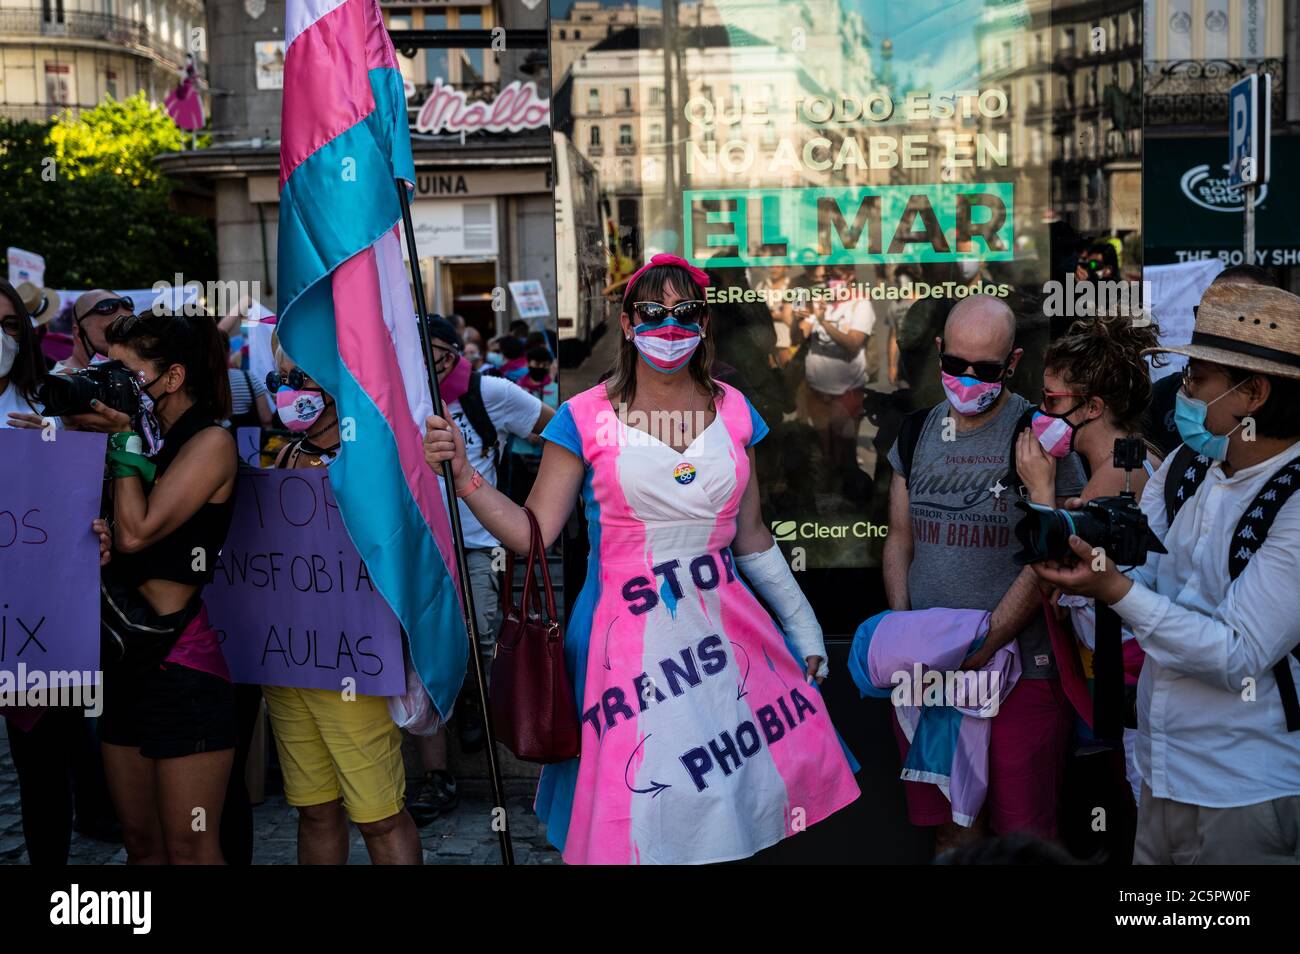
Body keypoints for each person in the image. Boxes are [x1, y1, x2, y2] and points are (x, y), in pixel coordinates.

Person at [423, 254, 860, 864]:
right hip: (625, 654)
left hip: (728, 641)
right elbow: (533, 533)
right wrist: (466, 477)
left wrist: (802, 622)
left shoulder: (735, 410)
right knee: (643, 814)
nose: (670, 326)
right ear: (627, 324)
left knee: (726, 809)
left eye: (686, 313)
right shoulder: (582, 416)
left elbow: (753, 533)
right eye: (652, 312)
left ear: (706, 326)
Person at [1035, 281, 1300, 864]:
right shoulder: (1189, 464)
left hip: (1245, 789)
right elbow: (1145, 567)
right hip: (1160, 771)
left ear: (1252, 393)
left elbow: (1236, 654)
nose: (1180, 392)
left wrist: (1116, 589)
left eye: (1197, 380)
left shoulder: (1294, 501)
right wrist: (1094, 538)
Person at [883, 294, 1086, 854]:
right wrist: (907, 633)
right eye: (956, 365)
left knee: (1024, 837)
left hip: (1024, 675)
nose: (968, 379)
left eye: (987, 369)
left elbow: (1054, 555)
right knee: (952, 834)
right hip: (931, 680)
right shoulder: (915, 432)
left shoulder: (1040, 437)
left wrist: (985, 641)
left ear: (1013, 364)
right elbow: (901, 539)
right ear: (940, 353)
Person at [69, 310, 239, 864]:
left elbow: (140, 531)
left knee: (189, 846)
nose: (110, 384)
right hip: (123, 661)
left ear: (173, 377)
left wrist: (119, 439)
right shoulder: (147, 438)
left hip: (180, 668)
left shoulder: (210, 440)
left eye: (124, 372)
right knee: (141, 844)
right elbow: (121, 531)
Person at [261, 340, 424, 864]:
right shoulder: (284, 452)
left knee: (379, 817)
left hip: (355, 663)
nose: (291, 392)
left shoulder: (376, 455)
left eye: (303, 377)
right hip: (291, 664)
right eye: (280, 381)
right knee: (314, 810)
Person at [1014, 313, 1167, 856]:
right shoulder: (1134, 463)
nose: (1041, 413)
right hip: (1116, 684)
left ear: (1092, 408)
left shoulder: (1120, 479)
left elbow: (1054, 564)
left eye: (1053, 402)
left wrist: (1040, 492)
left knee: (1132, 830)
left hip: (1126, 691)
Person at [406, 317, 553, 824]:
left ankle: (475, 706)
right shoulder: (398, 396)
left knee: (480, 637)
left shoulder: (487, 391)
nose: (427, 365)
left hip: (478, 544)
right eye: (415, 353)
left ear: (453, 350)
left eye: (436, 353)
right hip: (421, 546)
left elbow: (559, 430)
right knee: (427, 653)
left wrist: (539, 505)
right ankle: (437, 774)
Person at [1144, 264, 1278, 456]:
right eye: (1211, 309)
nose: (1220, 323)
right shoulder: (1163, 397)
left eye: (1239, 312)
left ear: (1256, 392)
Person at [799, 264, 875, 495]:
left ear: (851, 276)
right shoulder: (824, 301)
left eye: (838, 277)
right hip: (817, 389)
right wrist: (803, 316)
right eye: (830, 277)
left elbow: (853, 343)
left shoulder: (861, 305)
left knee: (844, 450)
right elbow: (802, 334)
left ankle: (850, 500)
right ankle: (827, 500)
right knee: (824, 450)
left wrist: (823, 321)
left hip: (847, 390)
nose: (833, 282)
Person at [53, 290, 135, 373]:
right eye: (113, 332)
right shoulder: (60, 381)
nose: (126, 339)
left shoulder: (132, 371)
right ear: (78, 333)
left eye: (129, 329)